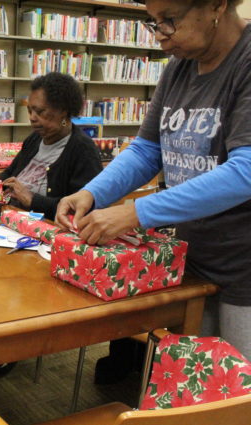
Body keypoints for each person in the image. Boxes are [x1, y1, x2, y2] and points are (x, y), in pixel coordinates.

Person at [56, 0, 251, 360]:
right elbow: (147, 150)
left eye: (169, 20)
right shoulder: (179, 66)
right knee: (192, 375)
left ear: (217, 5)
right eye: (154, 22)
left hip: (244, 267)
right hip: (195, 256)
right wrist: (93, 192)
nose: (160, 36)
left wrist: (136, 213)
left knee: (238, 385)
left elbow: (246, 172)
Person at [0, 72, 102, 220]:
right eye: (30, 111)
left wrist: (32, 199)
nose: (32, 117)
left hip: (41, 227)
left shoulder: (83, 150)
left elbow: (81, 209)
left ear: (63, 111)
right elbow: (12, 172)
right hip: (9, 216)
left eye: (40, 111)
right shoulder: (35, 138)